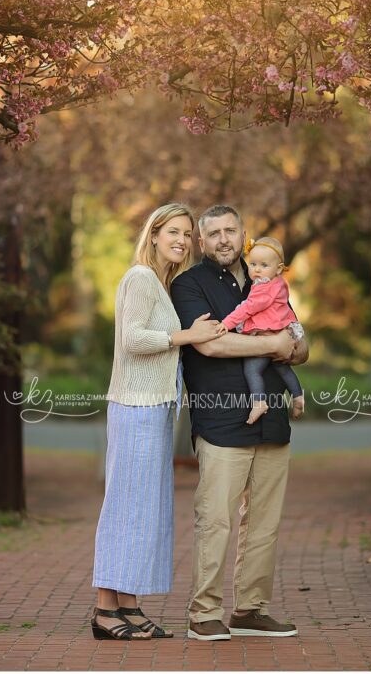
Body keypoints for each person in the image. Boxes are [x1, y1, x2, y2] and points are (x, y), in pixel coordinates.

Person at [170, 205, 309, 641]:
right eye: (214, 233)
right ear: (200, 241)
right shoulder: (188, 285)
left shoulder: (264, 278)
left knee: (264, 522)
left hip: (272, 419)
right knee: (216, 519)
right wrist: (278, 343)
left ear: (243, 235)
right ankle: (204, 613)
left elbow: (301, 344)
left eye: (231, 231)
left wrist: (292, 342)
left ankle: (250, 609)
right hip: (220, 419)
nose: (224, 239)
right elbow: (210, 345)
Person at [91, 203, 223, 640]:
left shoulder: (160, 285)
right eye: (174, 232)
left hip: (155, 410)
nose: (182, 241)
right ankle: (104, 610)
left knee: (145, 512)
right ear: (153, 234)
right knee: (126, 509)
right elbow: (132, 340)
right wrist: (187, 335)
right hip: (136, 409)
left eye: (187, 234)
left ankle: (128, 605)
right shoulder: (140, 278)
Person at [216, 236, 306, 424]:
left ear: (279, 269)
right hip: (281, 331)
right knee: (282, 367)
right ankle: (297, 396)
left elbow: (248, 308)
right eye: (253, 264)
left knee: (251, 370)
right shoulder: (279, 283)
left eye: (264, 265)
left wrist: (226, 323)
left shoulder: (264, 288)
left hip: (267, 333)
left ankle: (259, 402)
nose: (257, 269)